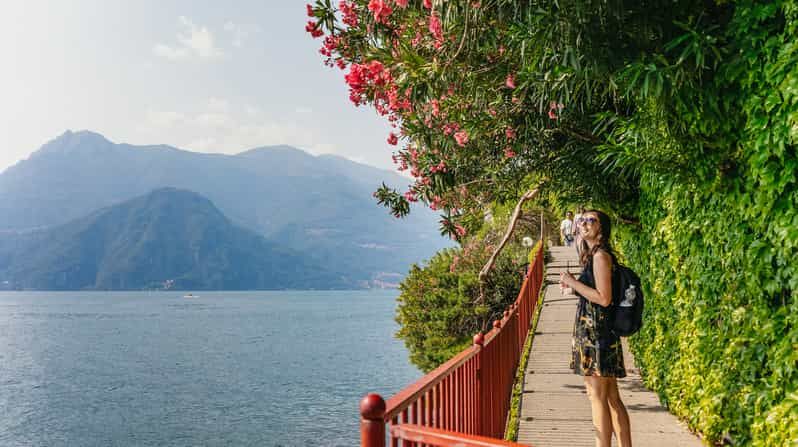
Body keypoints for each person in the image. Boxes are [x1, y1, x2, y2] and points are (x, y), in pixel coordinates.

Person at [559, 210, 632, 447]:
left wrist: (572, 282)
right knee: (611, 397)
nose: (584, 223)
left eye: (591, 220)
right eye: (582, 220)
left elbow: (604, 298)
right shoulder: (595, 255)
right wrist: (574, 289)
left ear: (602, 228)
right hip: (598, 331)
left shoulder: (600, 256)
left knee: (597, 397)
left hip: (596, 333)